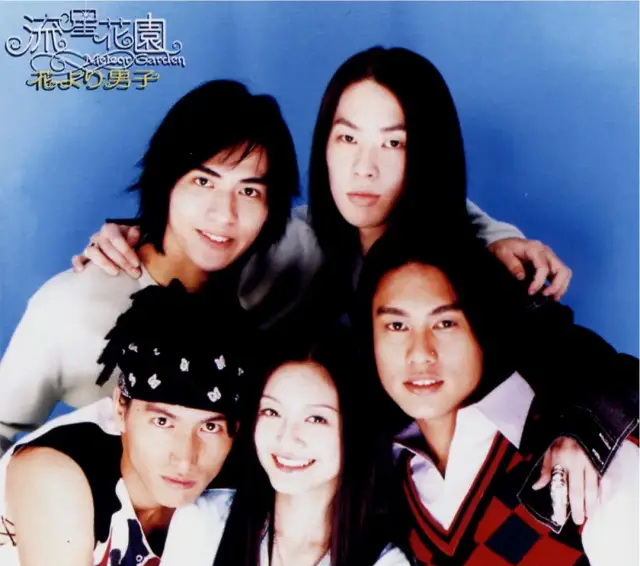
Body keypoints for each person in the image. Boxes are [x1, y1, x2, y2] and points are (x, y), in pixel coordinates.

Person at [48, 47, 635, 508]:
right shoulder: (292, 245)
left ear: (425, 153)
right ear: (323, 144)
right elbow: (209, 241)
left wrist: (580, 434)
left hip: (450, 524)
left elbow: (607, 374)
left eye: (394, 143)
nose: (364, 168)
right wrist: (144, 235)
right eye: (347, 138)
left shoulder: (472, 272)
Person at [0, 79, 305, 454]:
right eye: (203, 181)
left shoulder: (285, 263)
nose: (224, 214)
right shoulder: (73, 306)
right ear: (166, 180)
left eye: (249, 191)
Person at [355, 232, 638, 566]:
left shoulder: (583, 450)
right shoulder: (384, 485)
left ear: (481, 328)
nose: (420, 354)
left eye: (445, 323)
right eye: (396, 326)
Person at [0, 281, 257, 566]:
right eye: (162, 422)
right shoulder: (56, 472)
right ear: (121, 408)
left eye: (209, 427)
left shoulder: (237, 486)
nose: (185, 458)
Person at [153, 335, 415, 566]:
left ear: (356, 432)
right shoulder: (204, 522)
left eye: (316, 418)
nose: (286, 438)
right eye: (272, 412)